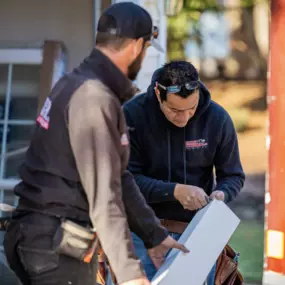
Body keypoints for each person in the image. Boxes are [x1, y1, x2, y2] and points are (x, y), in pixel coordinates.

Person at [3, 4, 188, 285]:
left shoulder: (73, 84)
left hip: (36, 238)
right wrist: (129, 274)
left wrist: (154, 235)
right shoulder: (94, 98)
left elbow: (119, 176)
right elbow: (105, 196)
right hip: (56, 248)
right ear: (138, 46)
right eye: (147, 47)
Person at [123, 60, 245, 283]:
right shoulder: (132, 116)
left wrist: (221, 194)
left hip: (197, 235)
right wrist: (173, 191)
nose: (184, 118)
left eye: (192, 108)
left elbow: (233, 175)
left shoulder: (217, 119)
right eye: (174, 110)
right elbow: (124, 180)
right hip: (140, 233)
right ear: (158, 94)